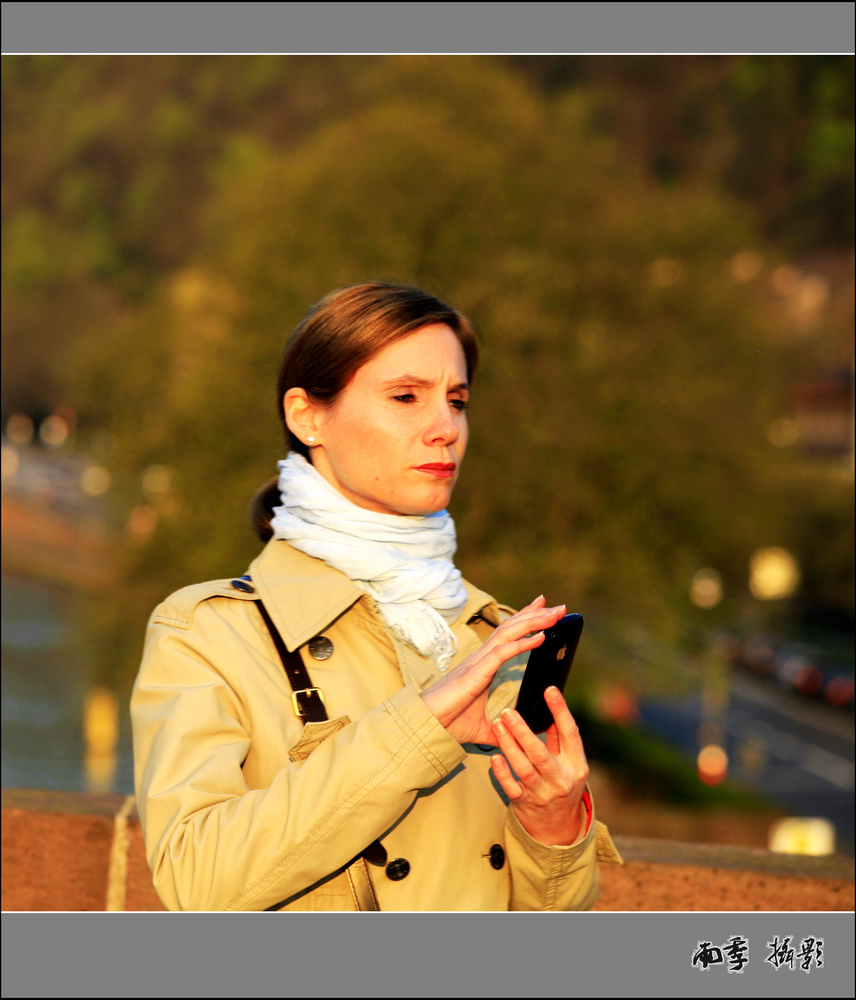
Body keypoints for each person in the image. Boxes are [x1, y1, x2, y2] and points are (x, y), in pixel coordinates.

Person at [131, 281, 621, 911]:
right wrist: (422, 725)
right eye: (405, 396)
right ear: (307, 415)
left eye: (458, 400)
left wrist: (553, 830)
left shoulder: (491, 636)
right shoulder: (207, 631)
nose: (445, 427)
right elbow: (196, 882)